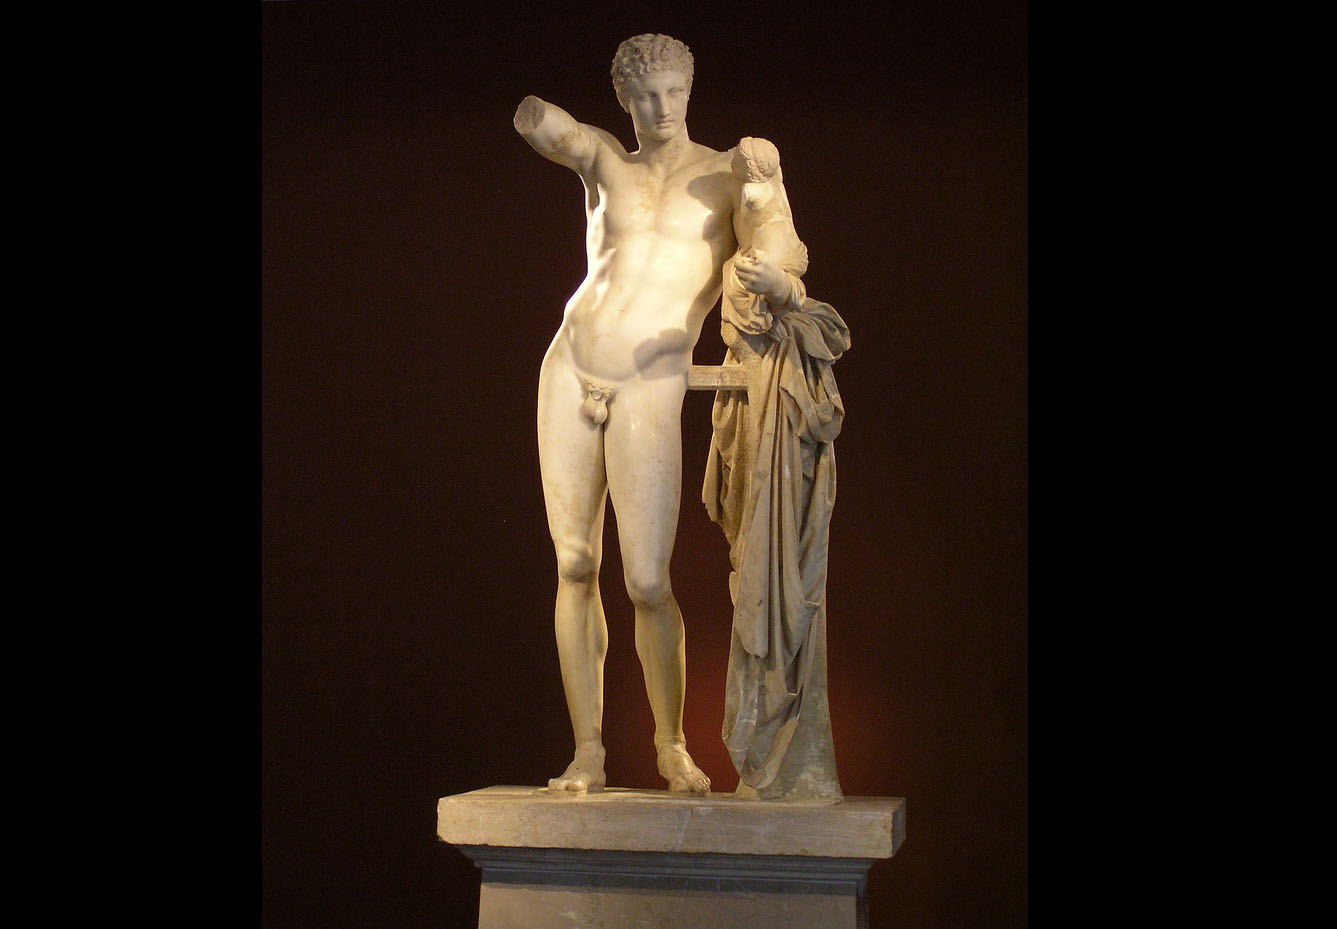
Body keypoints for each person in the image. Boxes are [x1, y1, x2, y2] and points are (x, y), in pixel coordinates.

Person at [512, 34, 792, 794]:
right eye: (643, 96)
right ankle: (588, 749)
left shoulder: (729, 172)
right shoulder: (607, 160)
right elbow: (559, 134)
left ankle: (670, 743)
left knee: (644, 579)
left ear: (690, 90)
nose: (660, 108)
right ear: (624, 100)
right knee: (575, 564)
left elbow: (780, 245)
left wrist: (772, 244)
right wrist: (535, 118)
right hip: (570, 364)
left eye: (672, 92)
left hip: (650, 375)